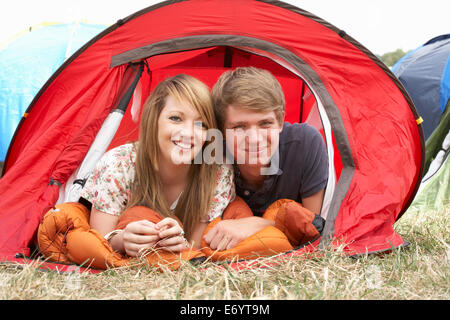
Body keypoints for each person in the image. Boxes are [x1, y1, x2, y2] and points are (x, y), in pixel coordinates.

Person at [79, 74, 235, 258]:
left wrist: (181, 243)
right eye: (176, 118)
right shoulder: (118, 163)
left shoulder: (217, 173)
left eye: (200, 124)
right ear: (155, 120)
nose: (188, 133)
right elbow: (100, 240)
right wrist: (122, 240)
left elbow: (196, 249)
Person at [204, 66, 328, 252]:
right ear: (222, 130)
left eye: (265, 124)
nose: (254, 139)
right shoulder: (209, 152)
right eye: (239, 127)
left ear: (280, 121)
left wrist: (258, 224)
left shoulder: (305, 144)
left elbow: (312, 227)